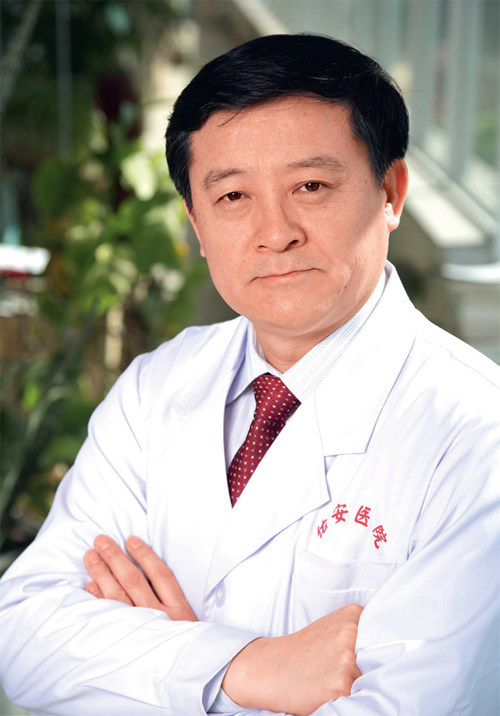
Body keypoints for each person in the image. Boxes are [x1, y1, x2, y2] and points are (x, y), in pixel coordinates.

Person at [0, 33, 499, 716]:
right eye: (233, 196)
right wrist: (246, 665)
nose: (275, 232)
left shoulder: (476, 436)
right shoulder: (155, 387)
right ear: (196, 223)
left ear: (390, 192)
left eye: (311, 186)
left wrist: (144, 664)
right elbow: (23, 634)